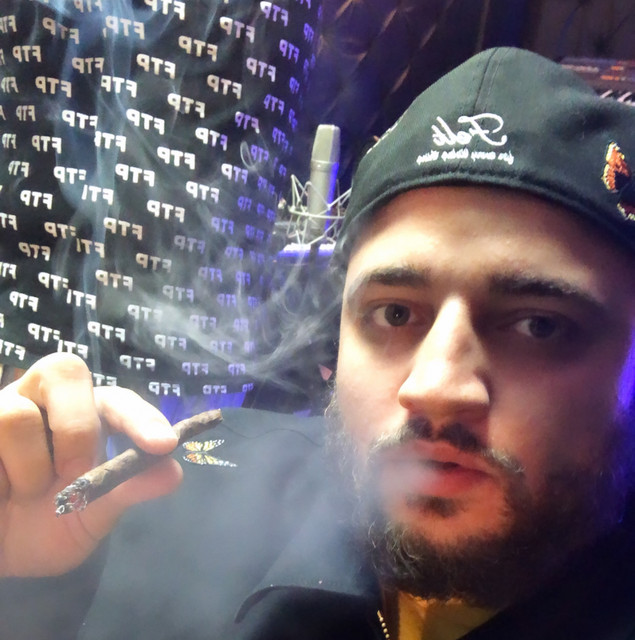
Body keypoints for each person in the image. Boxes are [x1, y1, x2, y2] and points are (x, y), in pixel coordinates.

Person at [1, 46, 635, 639]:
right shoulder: (171, 495)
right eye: (393, 312)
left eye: (540, 325)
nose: (435, 388)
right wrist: (27, 579)